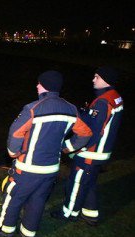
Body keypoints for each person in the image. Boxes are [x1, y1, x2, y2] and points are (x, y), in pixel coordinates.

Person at [0, 70, 92, 237]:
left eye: (39, 83)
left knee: (13, 198)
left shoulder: (33, 108)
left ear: (46, 86)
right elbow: (86, 133)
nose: (36, 85)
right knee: (38, 200)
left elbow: (15, 133)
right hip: (51, 169)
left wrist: (13, 153)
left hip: (27, 168)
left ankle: (6, 229)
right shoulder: (71, 108)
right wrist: (66, 148)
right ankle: (29, 233)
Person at [51, 66, 123, 226]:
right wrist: (87, 113)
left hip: (91, 153)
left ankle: (68, 213)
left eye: (97, 77)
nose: (93, 79)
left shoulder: (103, 102)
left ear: (106, 80)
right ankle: (90, 213)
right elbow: (102, 123)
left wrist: (70, 148)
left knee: (76, 183)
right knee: (88, 182)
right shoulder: (115, 97)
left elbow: (92, 132)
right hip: (102, 151)